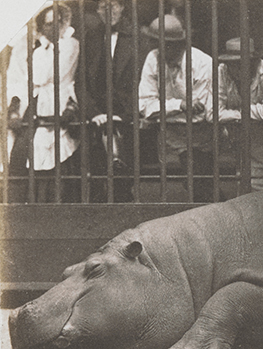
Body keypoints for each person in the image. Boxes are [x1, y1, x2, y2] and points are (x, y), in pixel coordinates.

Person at [6, 2, 81, 203]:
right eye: (48, 24)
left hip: (60, 100)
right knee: (23, 153)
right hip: (35, 103)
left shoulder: (70, 45)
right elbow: (24, 80)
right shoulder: (36, 49)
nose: (53, 28)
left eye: (57, 22)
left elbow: (52, 75)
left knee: (59, 159)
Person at [138, 14, 214, 202]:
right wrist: (179, 105)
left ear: (177, 44)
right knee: (178, 189)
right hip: (169, 138)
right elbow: (144, 105)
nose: (156, 48)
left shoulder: (203, 63)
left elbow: (199, 114)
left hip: (202, 137)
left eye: (160, 44)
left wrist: (161, 112)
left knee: (201, 187)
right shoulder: (153, 58)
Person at [81, 0, 147, 202]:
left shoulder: (137, 37)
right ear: (98, 11)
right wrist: (93, 112)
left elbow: (143, 80)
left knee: (124, 180)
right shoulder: (91, 38)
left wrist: (125, 114)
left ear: (123, 7)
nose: (109, 10)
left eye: (114, 5)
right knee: (99, 179)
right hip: (97, 117)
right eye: (103, 6)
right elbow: (80, 81)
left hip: (126, 116)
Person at [217, 37, 263, 193]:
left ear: (253, 61)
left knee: (261, 183)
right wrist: (244, 115)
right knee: (242, 180)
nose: (235, 68)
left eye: (240, 63)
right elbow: (213, 113)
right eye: (232, 63)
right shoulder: (222, 71)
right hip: (239, 135)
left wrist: (235, 113)